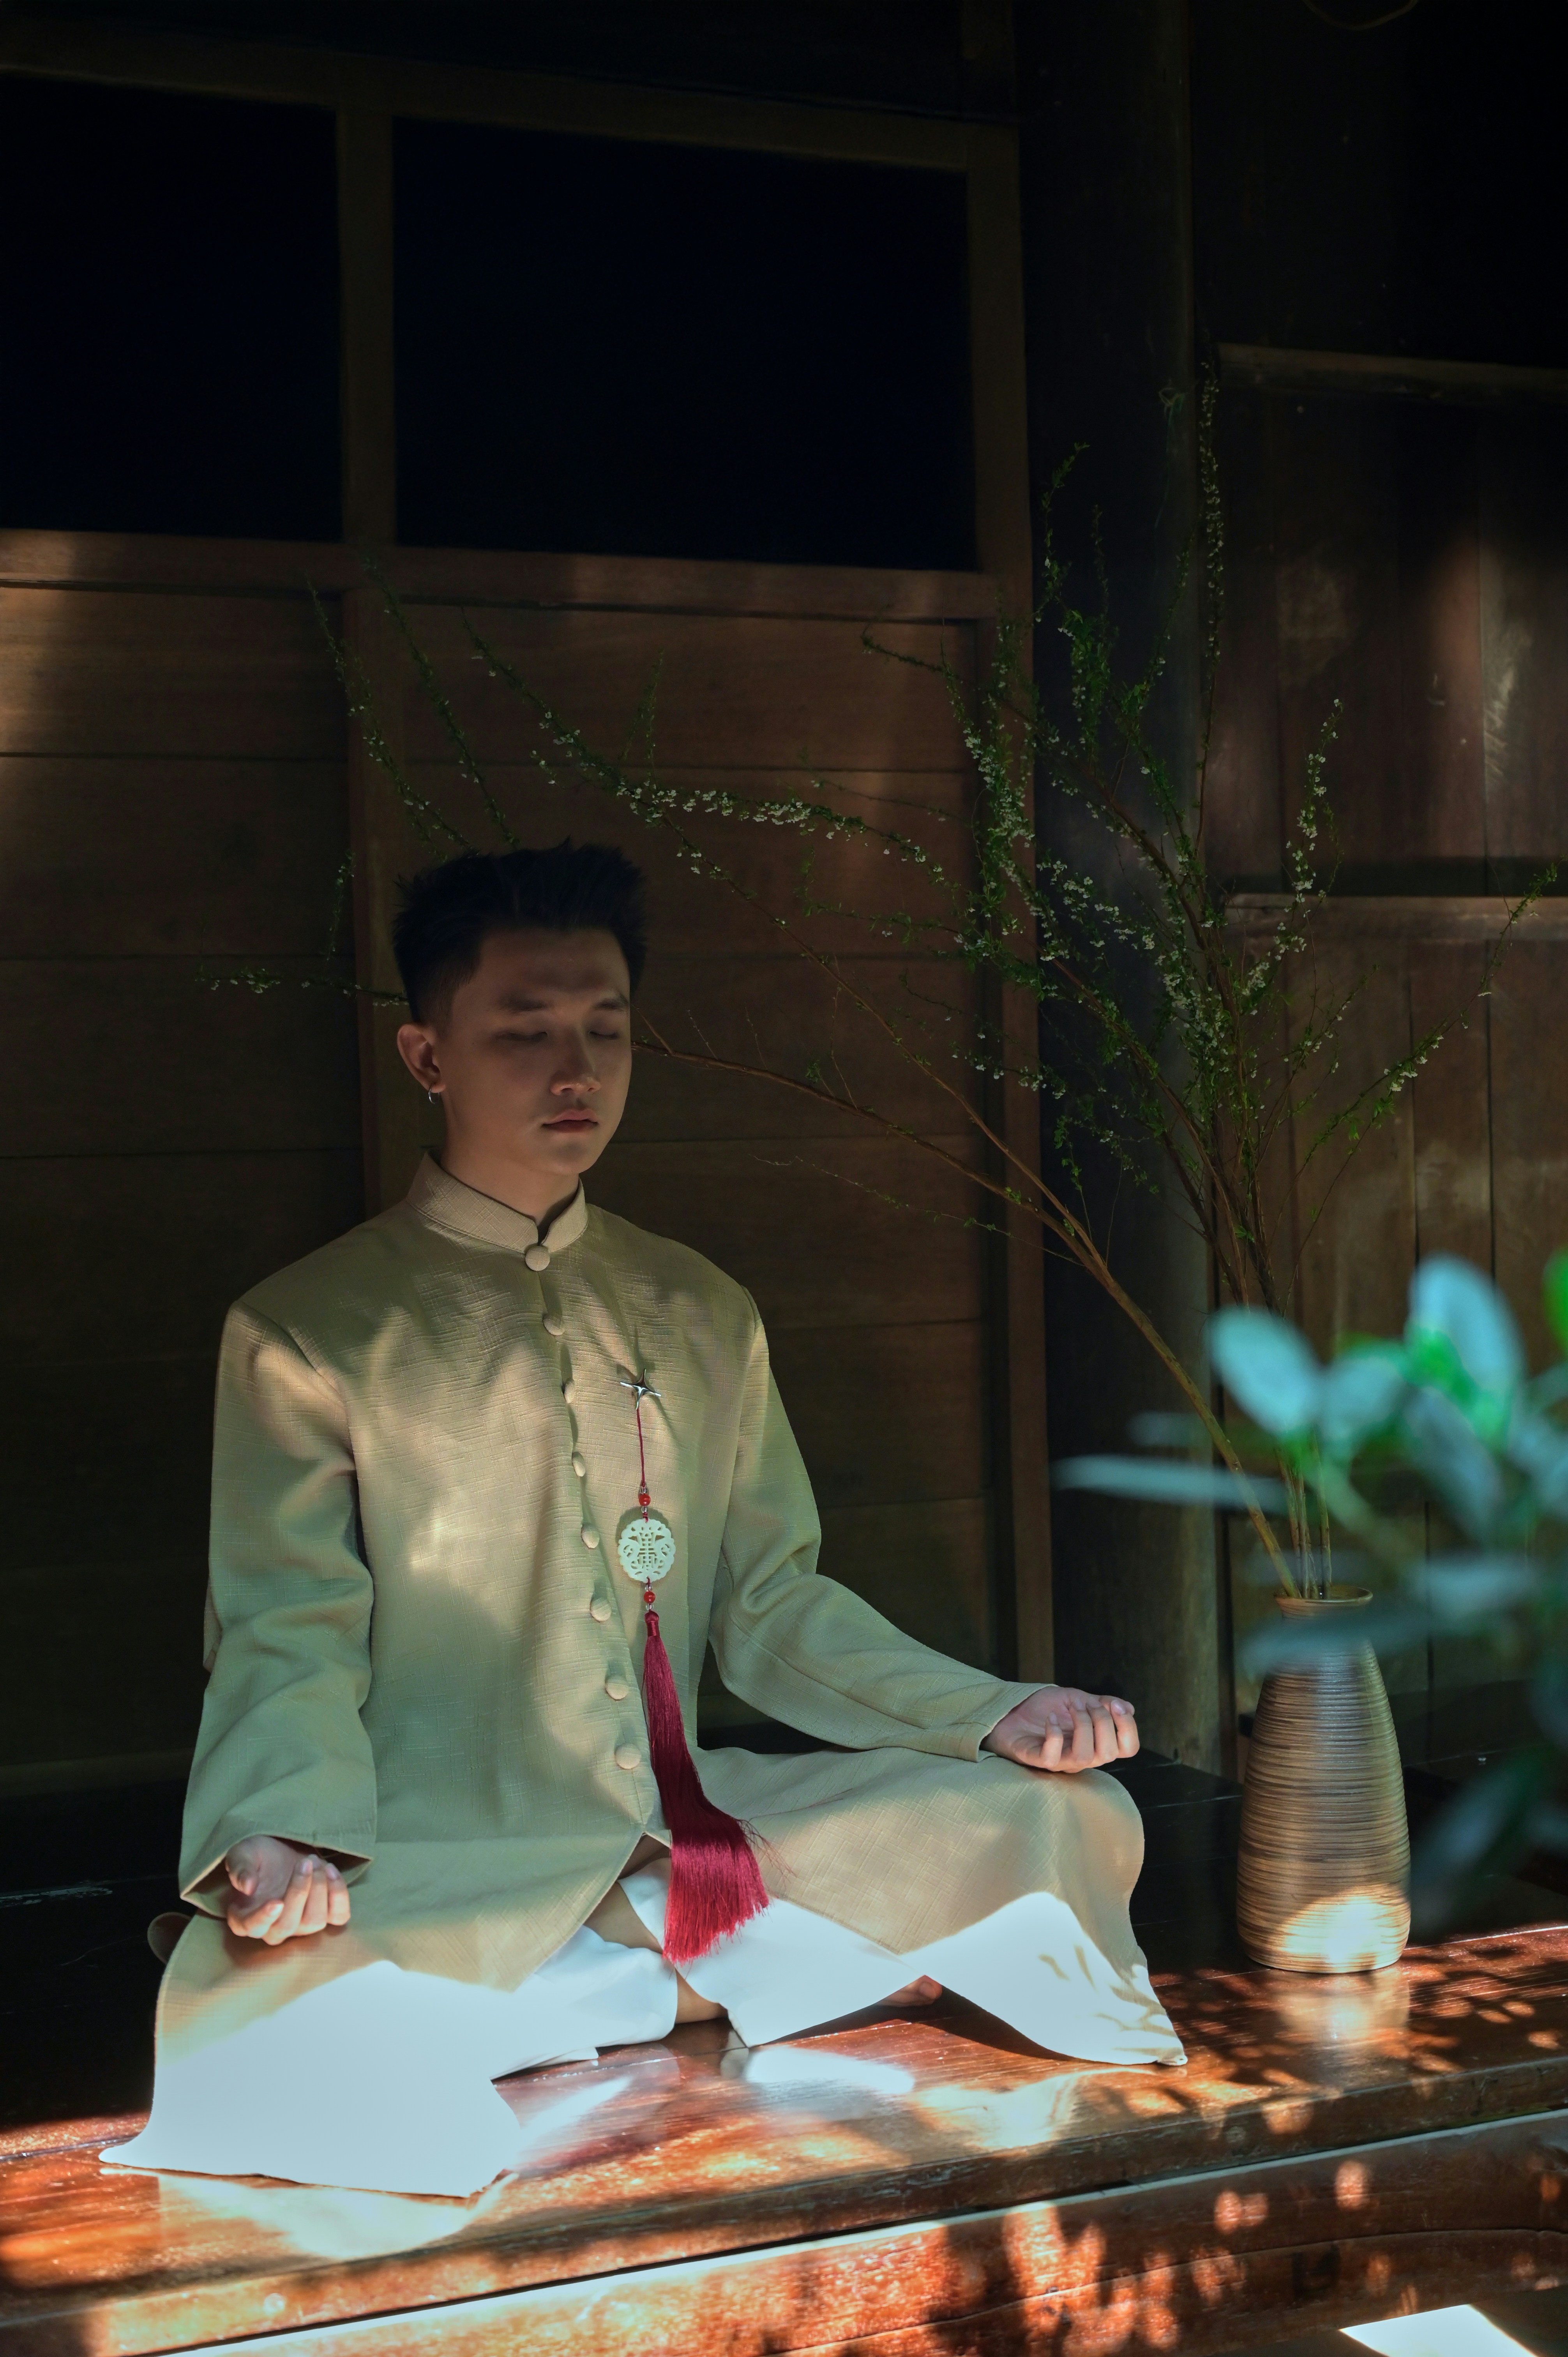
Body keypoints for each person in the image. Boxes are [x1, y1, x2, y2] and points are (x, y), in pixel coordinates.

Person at [109, 844, 1181, 2200]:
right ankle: (691, 1982)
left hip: (705, 1828)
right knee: (280, 1981)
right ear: (426, 1055)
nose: (577, 1071)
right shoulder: (310, 1331)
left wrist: (989, 1711)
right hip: (455, 1842)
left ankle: (621, 1985)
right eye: (527, 1031)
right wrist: (276, 1830)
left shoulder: (699, 1307)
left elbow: (772, 1604)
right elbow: (287, 1620)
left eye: (606, 1031)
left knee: (1053, 1818)